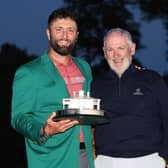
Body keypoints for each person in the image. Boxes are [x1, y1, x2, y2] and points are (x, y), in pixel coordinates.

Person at [11, 8, 95, 168]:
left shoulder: (84, 67)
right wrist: (44, 130)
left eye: (70, 30)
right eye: (59, 29)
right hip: (51, 155)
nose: (65, 35)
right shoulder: (29, 72)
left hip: (85, 155)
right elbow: (19, 117)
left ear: (77, 36)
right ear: (48, 33)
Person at [91, 28, 168, 168]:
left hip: (149, 161)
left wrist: (164, 158)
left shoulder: (152, 79)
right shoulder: (96, 85)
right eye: (110, 49)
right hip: (106, 162)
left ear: (132, 49)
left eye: (121, 48)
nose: (116, 55)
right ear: (104, 52)